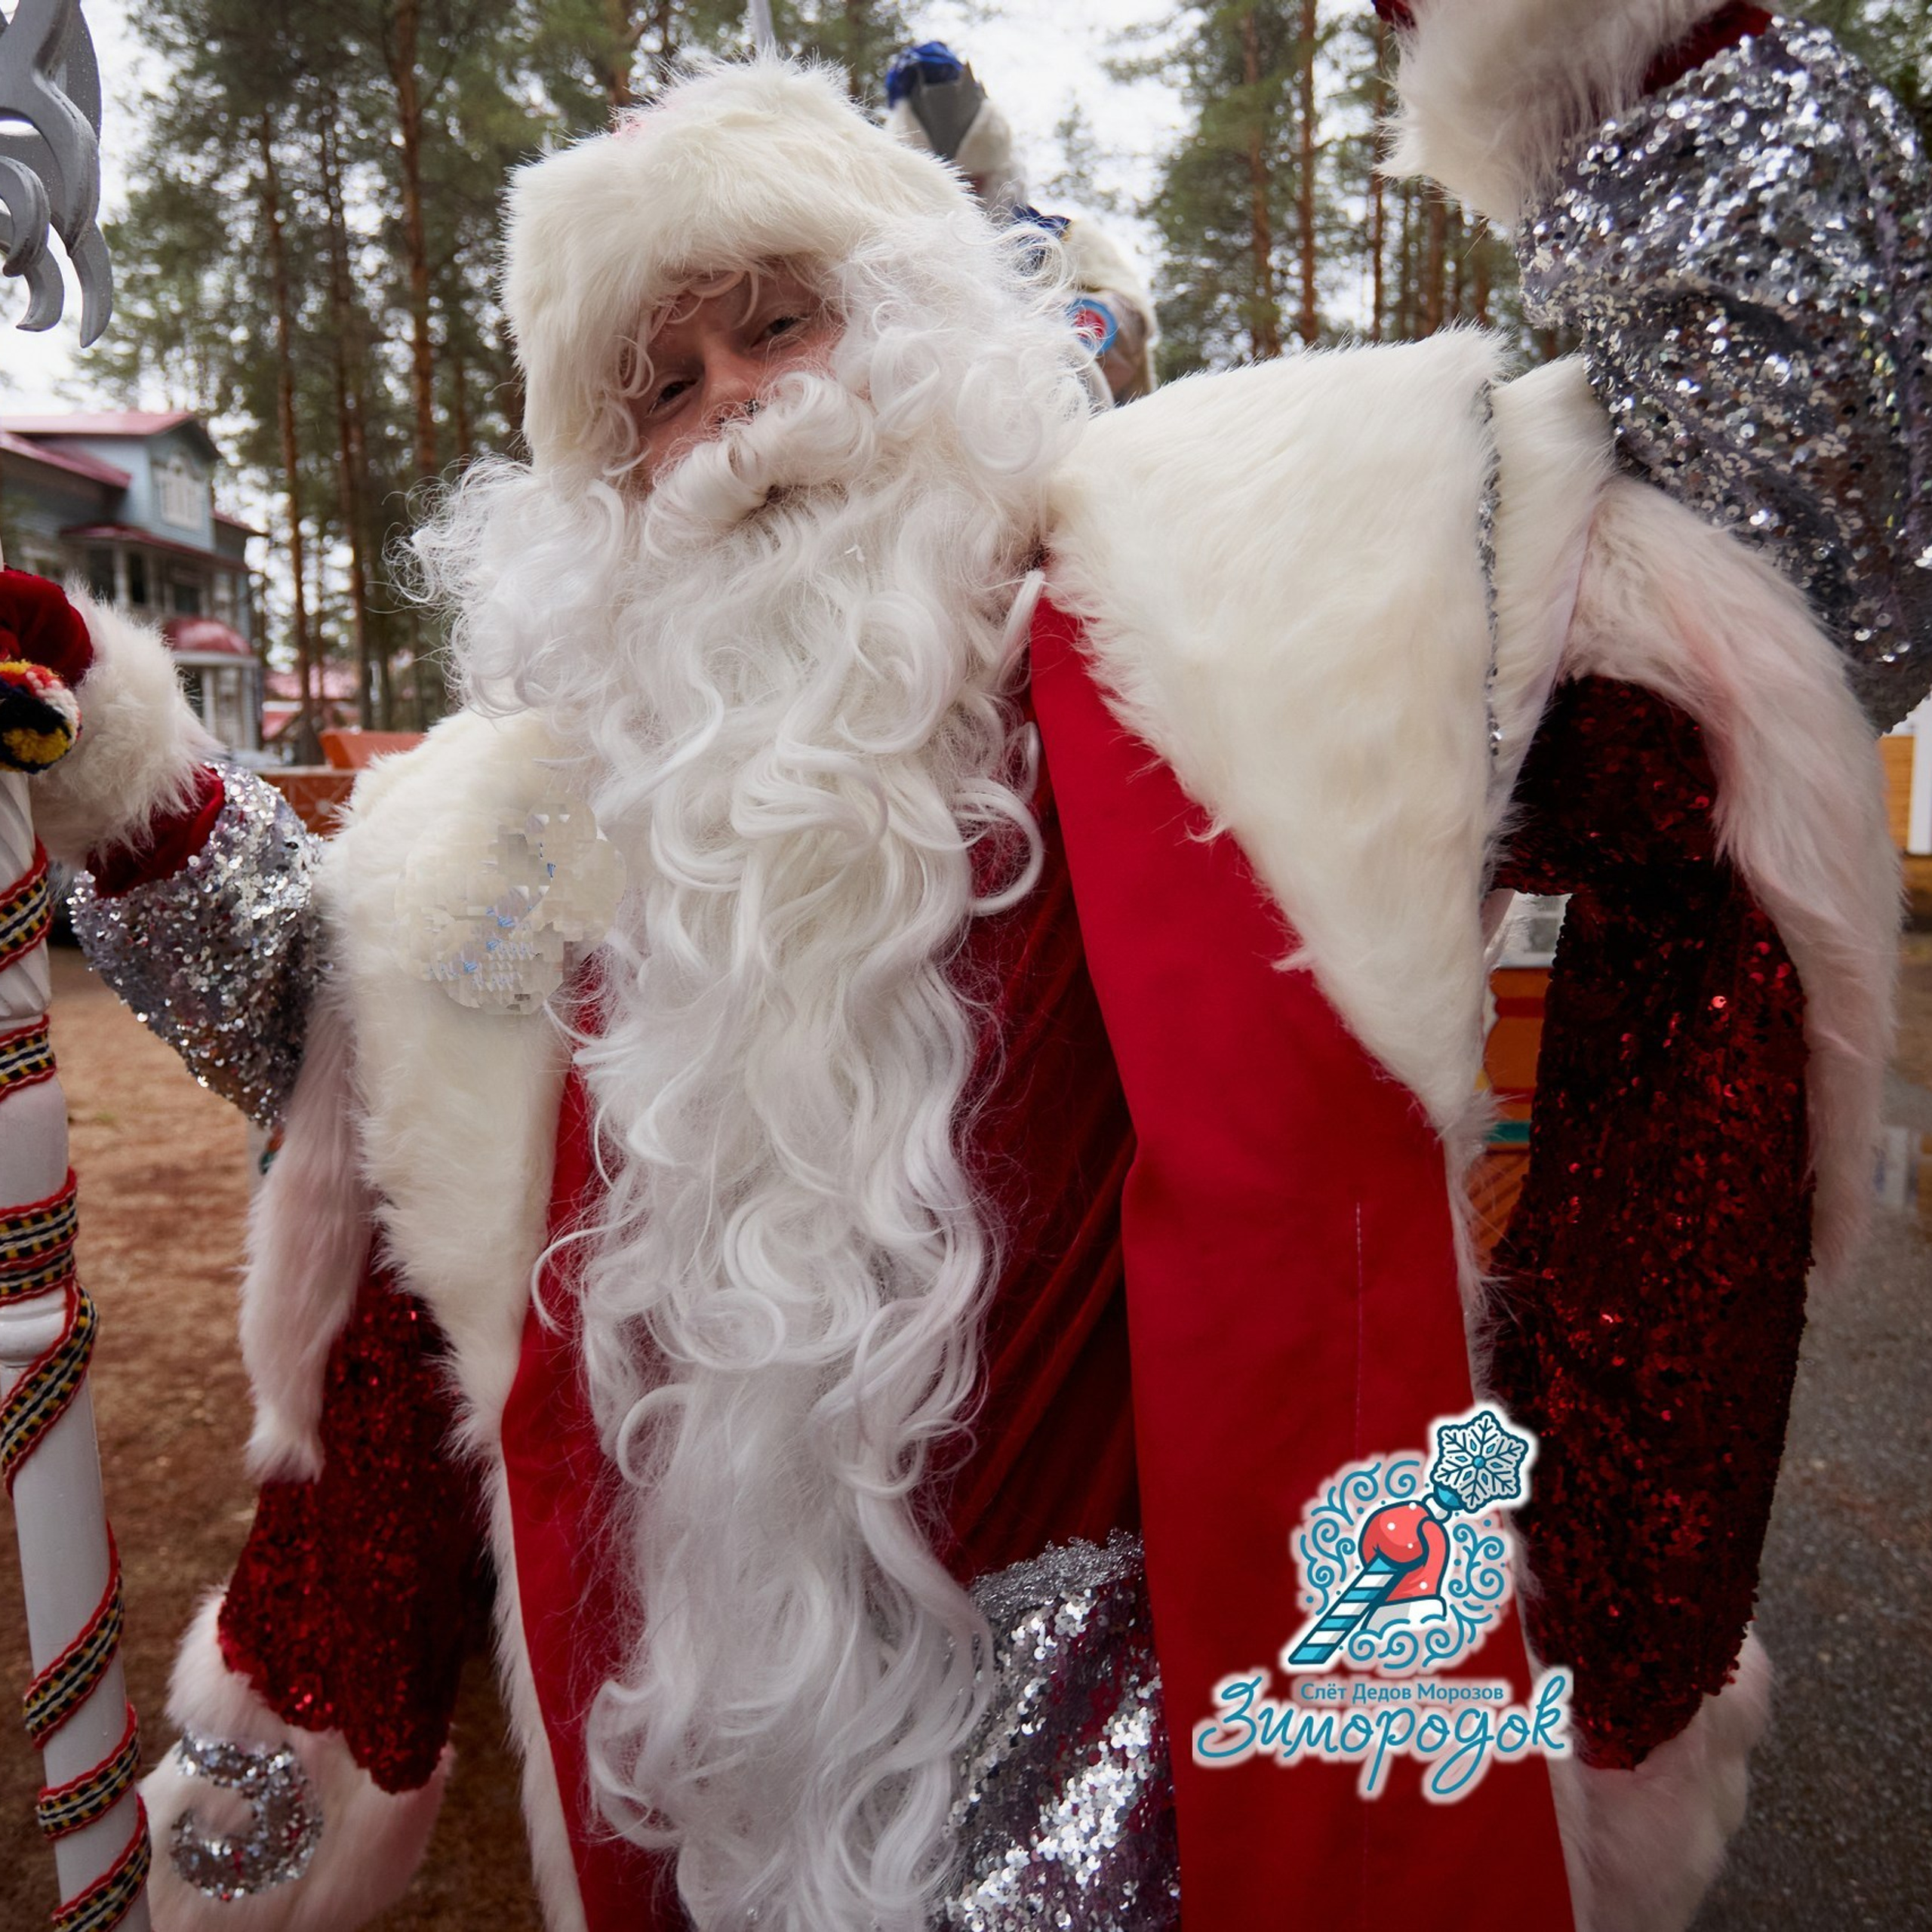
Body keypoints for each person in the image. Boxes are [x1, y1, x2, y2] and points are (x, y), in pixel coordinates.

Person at [10, 4, 1919, 1927]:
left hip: (1172, 1780)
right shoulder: (544, 844)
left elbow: (1758, 529)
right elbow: (342, 1027)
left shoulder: (1217, 643)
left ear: (925, 328)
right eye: (656, 389)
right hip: (704, 1789)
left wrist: (1633, 55)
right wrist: (103, 750)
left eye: (774, 321)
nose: (730, 412)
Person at [884, 38, 1158, 403]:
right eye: (948, 186)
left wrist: (1065, 323)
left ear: (998, 174)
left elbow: (1131, 326)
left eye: (973, 183)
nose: (964, 199)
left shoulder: (1067, 240)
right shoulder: (892, 266)